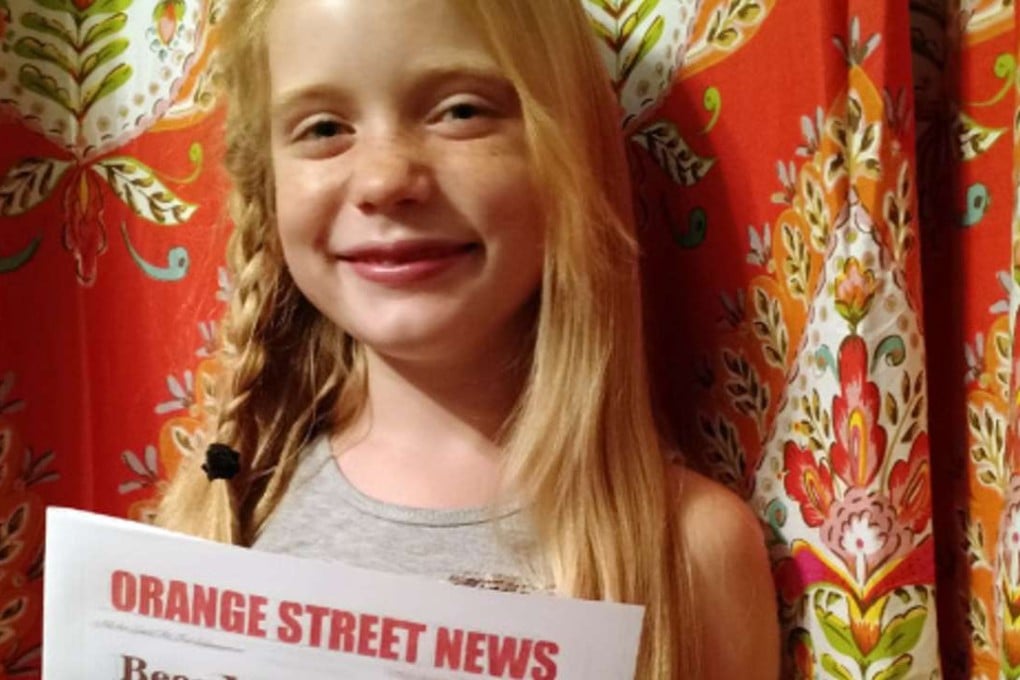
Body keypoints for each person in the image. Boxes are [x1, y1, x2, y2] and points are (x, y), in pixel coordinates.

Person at [157, 0, 779, 677]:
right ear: (267, 182)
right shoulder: (226, 513)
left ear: (568, 149)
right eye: (325, 128)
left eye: (460, 112)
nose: (385, 180)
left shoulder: (688, 555)